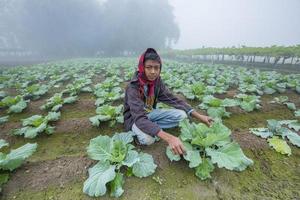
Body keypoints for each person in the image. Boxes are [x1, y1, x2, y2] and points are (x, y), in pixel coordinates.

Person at [123, 48, 213, 155]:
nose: (153, 72)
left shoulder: (157, 82)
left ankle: (152, 127)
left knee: (182, 116)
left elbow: (173, 99)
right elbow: (139, 118)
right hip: (135, 119)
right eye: (149, 67)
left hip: (150, 113)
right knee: (148, 140)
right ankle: (139, 135)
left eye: (157, 68)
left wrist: (200, 116)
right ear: (142, 67)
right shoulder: (133, 87)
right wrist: (169, 138)